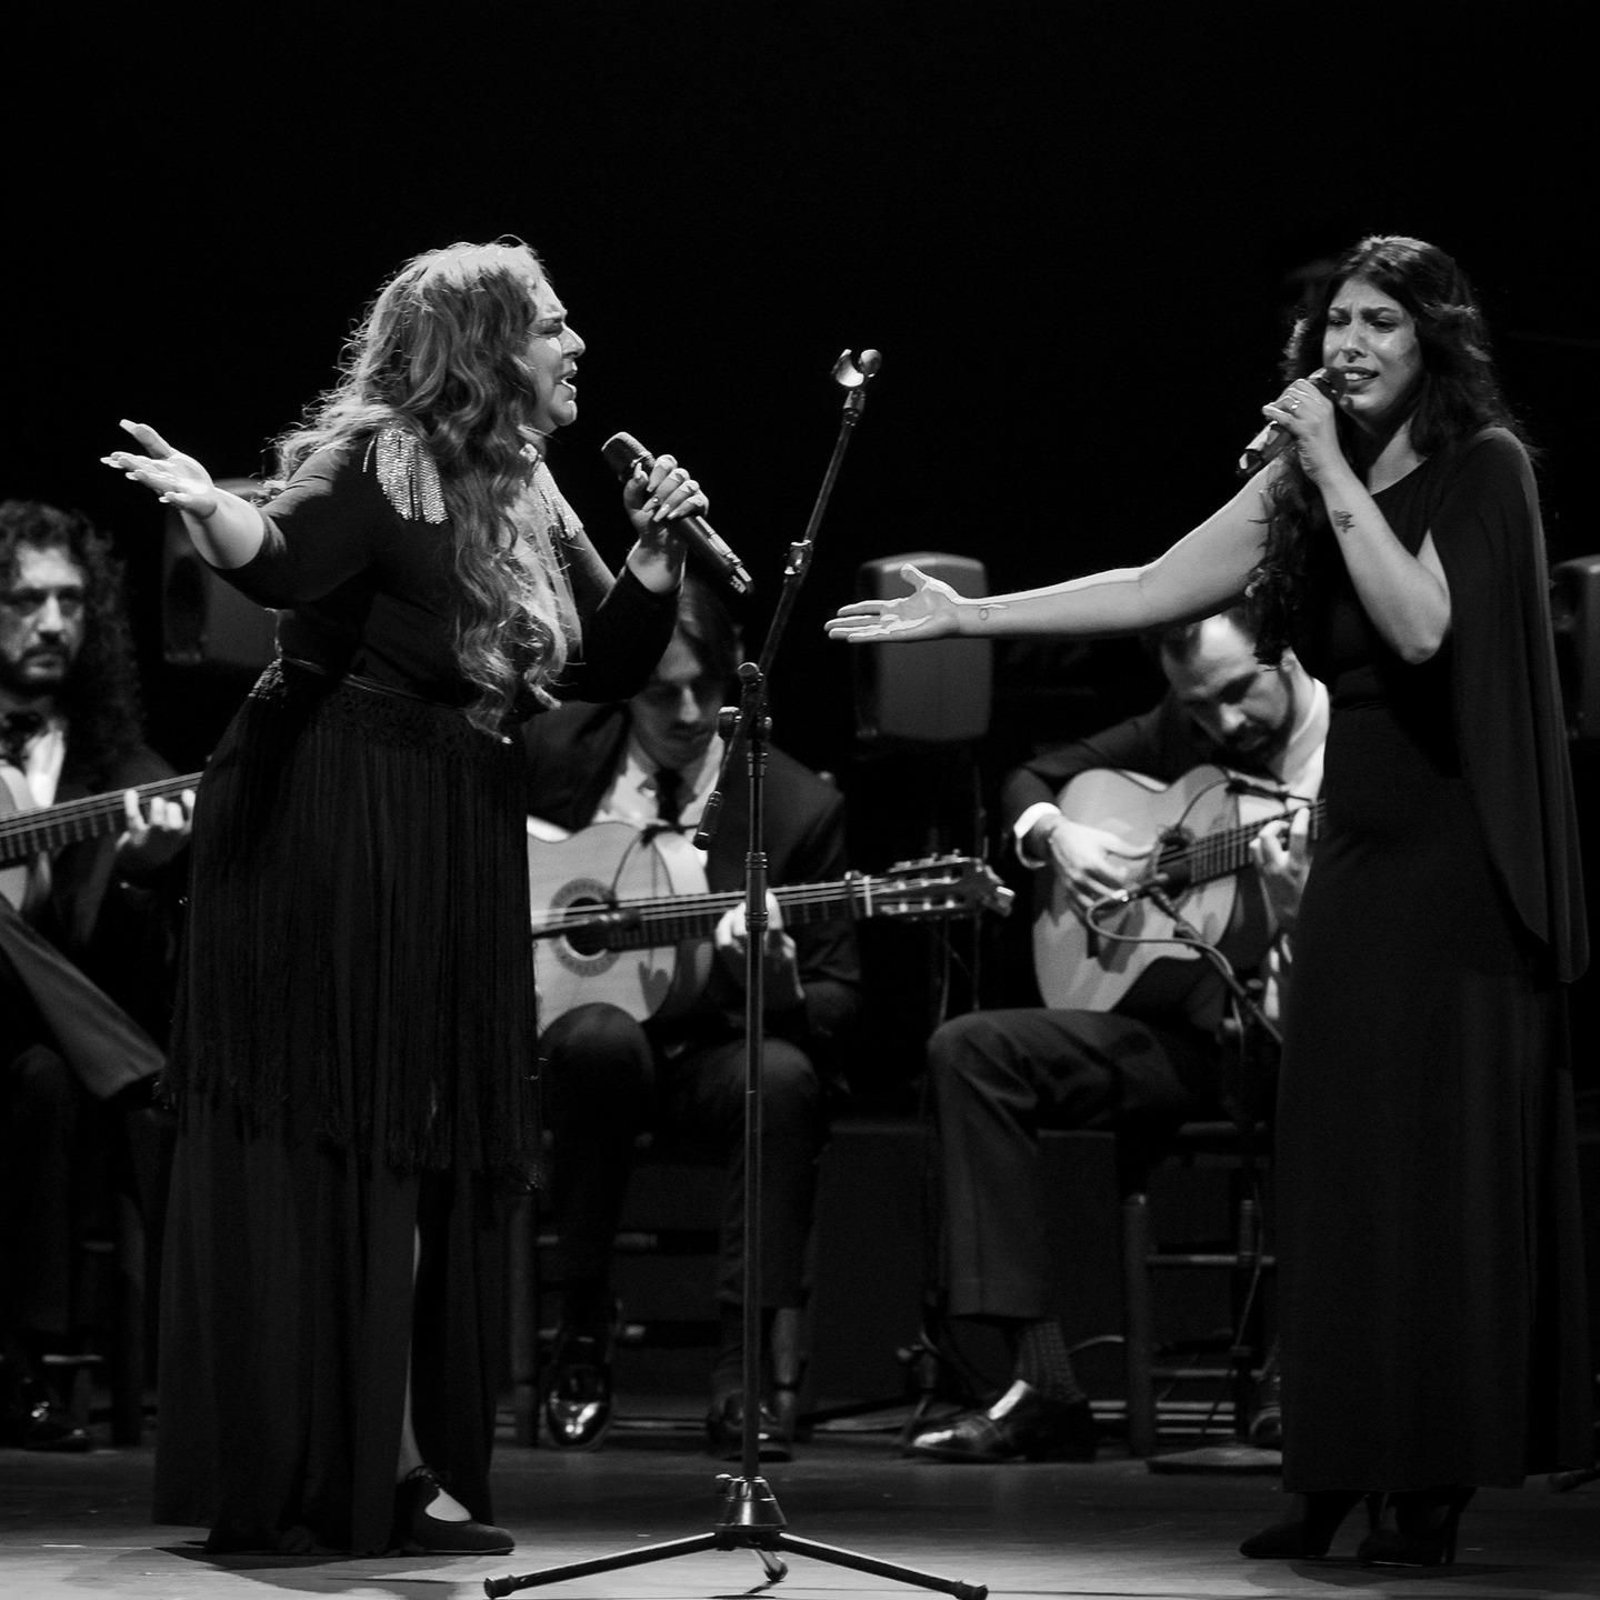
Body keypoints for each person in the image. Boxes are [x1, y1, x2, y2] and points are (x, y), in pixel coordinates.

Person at [830, 236, 1590, 1564]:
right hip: (1360, 855)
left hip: (1462, 861)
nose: (1345, 344)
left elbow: (1419, 628)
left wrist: (1336, 469)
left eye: (1379, 325)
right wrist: (970, 621)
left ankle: (1432, 1482)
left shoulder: (1486, 471)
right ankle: (1335, 1462)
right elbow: (1148, 587)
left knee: (1434, 1180)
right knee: (1334, 1167)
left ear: (1433, 345)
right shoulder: (1308, 475)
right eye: (1332, 324)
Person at [101, 238, 706, 1556]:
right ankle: (344, 1460)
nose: (576, 344)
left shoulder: (527, 487)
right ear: (485, 347)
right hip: (331, 803)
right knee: (354, 1128)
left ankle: (400, 1447)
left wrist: (658, 560)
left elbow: (604, 664)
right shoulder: (387, 452)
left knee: (421, 1140)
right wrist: (209, 504)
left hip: (445, 810)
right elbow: (279, 554)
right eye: (551, 324)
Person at [906, 605, 1324, 1464]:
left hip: (1307, 1038)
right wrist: (1057, 834)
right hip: (1183, 1041)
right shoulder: (1188, 719)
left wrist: (1298, 914)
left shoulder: (1358, 753)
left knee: (1320, 1078)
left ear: (1285, 650)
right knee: (971, 1051)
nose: (1221, 723)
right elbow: (1033, 779)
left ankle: (1305, 1367)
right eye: (1198, 707)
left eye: (1238, 693)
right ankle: (1046, 1382)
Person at [523, 572, 860, 1459]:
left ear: (736, 674)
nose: (684, 711)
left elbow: (838, 995)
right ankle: (582, 1324)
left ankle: (743, 1373)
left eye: (705, 689)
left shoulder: (795, 805)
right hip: (587, 1055)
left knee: (779, 1076)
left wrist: (778, 987)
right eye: (659, 690)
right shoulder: (552, 754)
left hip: (718, 1050)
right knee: (595, 1042)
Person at [1, 499, 190, 1452]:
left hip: (35, 1047)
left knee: (39, 1080)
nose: (51, 623)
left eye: (70, 601)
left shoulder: (111, 758)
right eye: (25, 599)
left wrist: (156, 856)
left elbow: (167, 813)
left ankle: (22, 1364)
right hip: (88, 1050)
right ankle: (129, 1065)